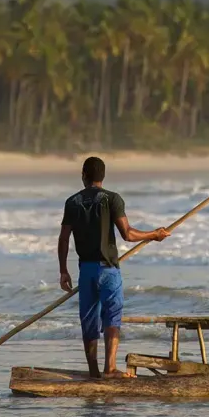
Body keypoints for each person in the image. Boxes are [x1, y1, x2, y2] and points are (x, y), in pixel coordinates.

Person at [58, 156, 170, 378]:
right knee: (112, 316)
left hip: (86, 271)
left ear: (83, 175)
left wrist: (63, 271)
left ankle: (94, 372)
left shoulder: (72, 202)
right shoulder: (112, 199)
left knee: (89, 321)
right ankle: (110, 369)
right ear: (103, 176)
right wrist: (154, 235)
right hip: (108, 270)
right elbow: (127, 234)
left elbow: (63, 239)